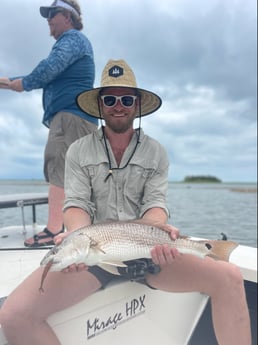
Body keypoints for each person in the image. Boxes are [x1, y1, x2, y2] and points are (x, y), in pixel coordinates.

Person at [0, 59, 251, 345]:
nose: (118, 105)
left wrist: (157, 234)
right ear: (100, 104)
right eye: (110, 98)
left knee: (229, 277)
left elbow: (156, 203)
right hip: (95, 259)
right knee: (14, 315)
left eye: (126, 98)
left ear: (137, 104)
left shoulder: (157, 152)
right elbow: (76, 203)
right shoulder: (78, 151)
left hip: (150, 254)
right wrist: (78, 240)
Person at [0, 0, 98, 247]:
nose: (48, 20)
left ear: (67, 16)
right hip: (80, 118)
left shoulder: (72, 39)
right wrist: (10, 81)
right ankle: (79, 228)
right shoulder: (75, 44)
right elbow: (48, 74)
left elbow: (48, 68)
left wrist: (22, 84)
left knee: (58, 168)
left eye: (52, 14)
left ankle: (54, 231)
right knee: (75, 174)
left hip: (69, 118)